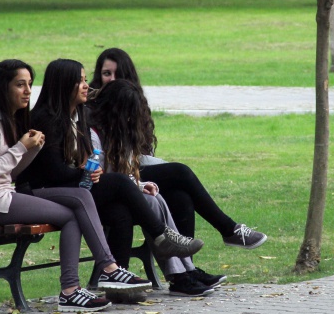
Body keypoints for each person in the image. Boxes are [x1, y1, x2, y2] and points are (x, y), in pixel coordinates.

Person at [0, 60, 153, 313]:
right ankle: (108, 269)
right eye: (20, 85)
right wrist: (20, 148)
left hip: (6, 193)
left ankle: (72, 290)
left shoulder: (10, 117)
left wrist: (32, 150)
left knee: (74, 211)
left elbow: (12, 172)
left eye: (29, 84)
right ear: (1, 87)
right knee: (81, 199)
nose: (28, 91)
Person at [15, 59, 204, 282]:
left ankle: (115, 280)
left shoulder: (78, 115)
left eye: (85, 80)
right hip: (42, 193)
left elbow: (82, 162)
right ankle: (161, 236)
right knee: (120, 182)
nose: (86, 85)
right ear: (63, 84)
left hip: (74, 188)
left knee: (120, 211)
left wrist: (95, 173)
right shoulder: (46, 119)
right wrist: (85, 174)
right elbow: (54, 172)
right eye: (79, 81)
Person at [89, 48, 267, 249]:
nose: (112, 79)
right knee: (180, 172)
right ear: (99, 76)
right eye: (107, 73)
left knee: (181, 197)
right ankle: (229, 229)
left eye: (118, 74)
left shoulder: (134, 104)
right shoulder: (92, 109)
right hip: (113, 180)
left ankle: (185, 266)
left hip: (132, 170)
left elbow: (140, 154)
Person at [88, 81, 228, 296]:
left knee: (166, 198)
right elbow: (99, 177)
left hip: (121, 190)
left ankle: (185, 272)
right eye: (127, 114)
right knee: (165, 188)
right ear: (115, 111)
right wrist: (136, 185)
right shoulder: (94, 134)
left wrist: (140, 185)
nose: (130, 119)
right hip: (98, 195)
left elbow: (125, 172)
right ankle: (178, 271)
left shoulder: (120, 131)